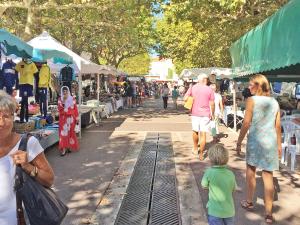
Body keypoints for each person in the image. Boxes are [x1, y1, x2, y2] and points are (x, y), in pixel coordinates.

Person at [0, 90, 54, 225]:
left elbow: (49, 180)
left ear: (13, 118)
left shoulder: (27, 143)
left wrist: (28, 167)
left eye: (6, 116)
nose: (1, 123)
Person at [236, 74, 281, 224]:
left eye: (251, 85)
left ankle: (249, 201)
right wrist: (279, 145)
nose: (249, 88)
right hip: (270, 143)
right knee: (268, 175)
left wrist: (239, 141)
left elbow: (247, 123)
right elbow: (277, 126)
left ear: (259, 86)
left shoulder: (251, 100)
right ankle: (268, 213)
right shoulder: (274, 102)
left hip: (255, 142)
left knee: (251, 171)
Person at [201, 144, 236, 225]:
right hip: (229, 211)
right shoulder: (230, 174)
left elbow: (204, 185)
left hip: (214, 211)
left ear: (211, 159)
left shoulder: (209, 172)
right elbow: (233, 188)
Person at [184, 73, 215, 160]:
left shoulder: (192, 87)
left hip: (195, 113)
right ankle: (201, 153)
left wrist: (189, 99)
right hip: (205, 114)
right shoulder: (209, 90)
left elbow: (185, 97)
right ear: (204, 80)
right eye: (207, 80)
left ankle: (195, 148)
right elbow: (212, 104)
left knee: (195, 131)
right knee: (203, 133)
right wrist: (212, 114)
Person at [58, 86, 79, 156]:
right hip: (63, 119)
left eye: (66, 91)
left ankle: (69, 147)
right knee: (63, 134)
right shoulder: (60, 100)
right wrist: (64, 102)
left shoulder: (72, 99)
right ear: (62, 92)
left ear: (68, 91)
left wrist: (77, 117)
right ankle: (64, 149)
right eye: (63, 91)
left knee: (70, 133)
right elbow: (60, 109)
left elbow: (75, 108)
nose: (65, 92)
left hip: (71, 119)